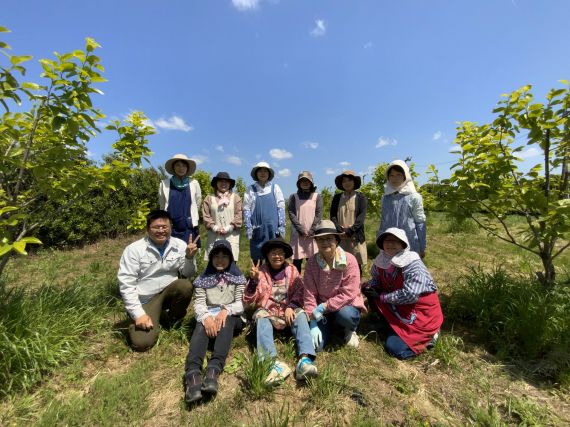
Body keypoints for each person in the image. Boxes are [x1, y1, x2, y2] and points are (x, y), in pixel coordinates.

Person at [117, 210, 198, 351]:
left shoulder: (179, 245)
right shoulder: (134, 250)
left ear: (171, 227)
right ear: (148, 229)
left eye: (165, 227)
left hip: (168, 292)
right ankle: (152, 315)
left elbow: (188, 273)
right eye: (156, 227)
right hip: (145, 299)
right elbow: (126, 284)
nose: (161, 231)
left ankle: (172, 319)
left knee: (185, 286)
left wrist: (189, 258)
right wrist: (138, 314)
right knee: (142, 343)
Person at [243, 238, 318, 383]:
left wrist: (292, 306)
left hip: (287, 312)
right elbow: (248, 299)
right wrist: (253, 281)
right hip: (269, 312)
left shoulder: (292, 270)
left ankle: (305, 360)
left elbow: (300, 291)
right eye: (273, 253)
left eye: (280, 253)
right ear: (267, 255)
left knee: (301, 315)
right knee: (260, 316)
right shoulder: (261, 272)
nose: (277, 256)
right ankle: (271, 363)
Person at [362, 227, 443, 360]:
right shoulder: (381, 260)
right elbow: (377, 280)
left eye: (395, 241)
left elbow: (410, 295)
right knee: (373, 292)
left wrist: (383, 297)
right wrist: (369, 286)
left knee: (394, 348)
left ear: (403, 244)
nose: (390, 244)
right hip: (398, 305)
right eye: (387, 241)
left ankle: (431, 336)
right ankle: (388, 324)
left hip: (419, 311)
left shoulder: (412, 263)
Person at [184, 240, 247, 405]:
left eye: (224, 256)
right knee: (201, 325)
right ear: (211, 258)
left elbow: (241, 303)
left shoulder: (238, 277)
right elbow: (199, 304)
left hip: (232, 315)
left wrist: (225, 311)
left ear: (231, 258)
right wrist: (206, 318)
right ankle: (193, 374)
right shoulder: (202, 279)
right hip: (209, 313)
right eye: (216, 256)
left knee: (226, 320)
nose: (220, 260)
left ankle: (214, 369)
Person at [303, 220, 366, 351]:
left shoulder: (349, 260)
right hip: (321, 310)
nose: (325, 242)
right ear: (316, 242)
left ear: (337, 240)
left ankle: (349, 329)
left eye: (329, 238)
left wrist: (325, 306)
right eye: (320, 239)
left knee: (346, 315)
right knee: (317, 347)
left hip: (345, 306)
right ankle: (329, 326)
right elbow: (309, 293)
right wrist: (313, 321)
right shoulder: (312, 263)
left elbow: (350, 293)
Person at [378, 160, 426, 257]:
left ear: (405, 176)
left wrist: (422, 246)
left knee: (408, 269)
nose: (394, 178)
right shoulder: (385, 198)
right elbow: (383, 222)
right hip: (389, 244)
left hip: (409, 242)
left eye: (398, 175)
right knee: (390, 269)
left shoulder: (413, 197)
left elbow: (420, 223)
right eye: (391, 175)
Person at [243, 161, 286, 263]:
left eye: (265, 171)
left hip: (272, 228)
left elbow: (281, 207)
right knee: (257, 254)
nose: (263, 173)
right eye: (260, 171)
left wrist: (281, 226)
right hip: (257, 228)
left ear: (269, 174)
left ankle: (271, 275)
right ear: (256, 174)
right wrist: (248, 227)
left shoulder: (275, 188)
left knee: (272, 252)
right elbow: (246, 209)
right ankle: (258, 275)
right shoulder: (250, 189)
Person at [159, 153, 202, 246]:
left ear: (187, 168)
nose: (181, 168)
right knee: (171, 254)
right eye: (177, 165)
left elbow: (198, 202)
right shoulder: (164, 184)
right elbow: (162, 205)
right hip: (171, 225)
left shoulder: (194, 183)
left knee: (189, 253)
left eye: (183, 165)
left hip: (188, 225)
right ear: (173, 167)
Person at [330, 170, 368, 275]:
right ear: (341, 184)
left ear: (354, 182)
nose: (347, 183)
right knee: (339, 263)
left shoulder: (361, 197)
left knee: (356, 265)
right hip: (340, 236)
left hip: (355, 236)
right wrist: (339, 229)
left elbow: (361, 218)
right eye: (344, 181)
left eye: (349, 180)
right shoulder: (337, 198)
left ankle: (356, 288)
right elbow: (333, 215)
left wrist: (350, 231)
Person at [202, 171, 243, 261]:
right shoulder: (209, 198)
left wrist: (229, 227)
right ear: (216, 183)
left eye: (226, 181)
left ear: (230, 184)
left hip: (231, 235)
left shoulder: (236, 197)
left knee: (230, 261)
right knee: (214, 261)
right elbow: (206, 215)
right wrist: (215, 228)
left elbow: (239, 215)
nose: (223, 183)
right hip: (214, 235)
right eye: (220, 181)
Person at [288, 171, 322, 273]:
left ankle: (313, 283)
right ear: (298, 183)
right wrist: (301, 229)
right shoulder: (293, 197)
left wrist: (312, 230)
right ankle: (296, 283)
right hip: (298, 234)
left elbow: (318, 214)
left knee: (313, 261)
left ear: (311, 182)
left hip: (313, 234)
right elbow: (291, 213)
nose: (305, 182)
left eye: (307, 180)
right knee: (297, 261)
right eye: (302, 181)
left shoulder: (317, 196)